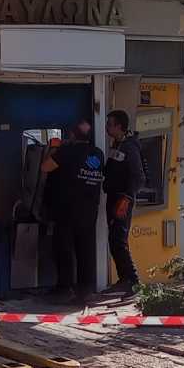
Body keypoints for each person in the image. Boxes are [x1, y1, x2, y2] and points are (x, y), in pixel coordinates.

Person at [42, 120, 104, 304]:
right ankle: (85, 290)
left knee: (63, 249)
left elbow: (45, 167)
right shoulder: (98, 153)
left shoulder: (66, 152)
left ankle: (64, 288)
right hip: (89, 210)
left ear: (72, 135)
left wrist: (54, 151)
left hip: (67, 210)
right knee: (85, 250)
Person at [102, 109, 147, 298]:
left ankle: (133, 282)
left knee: (119, 240)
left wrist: (127, 198)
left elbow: (139, 177)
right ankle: (124, 280)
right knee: (114, 240)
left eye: (109, 124)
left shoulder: (129, 147)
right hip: (113, 197)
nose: (106, 127)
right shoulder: (117, 145)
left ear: (119, 126)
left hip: (122, 199)